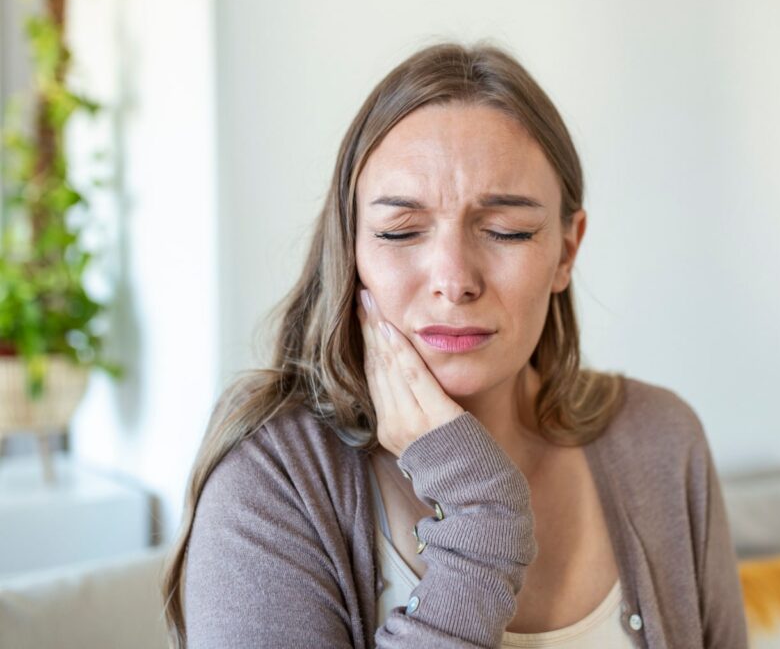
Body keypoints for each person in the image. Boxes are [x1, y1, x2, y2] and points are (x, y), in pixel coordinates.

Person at [161, 41, 749, 649]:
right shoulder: (272, 478)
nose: (454, 279)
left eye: (506, 230)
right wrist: (481, 516)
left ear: (566, 252)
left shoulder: (662, 438)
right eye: (401, 231)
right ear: (352, 248)